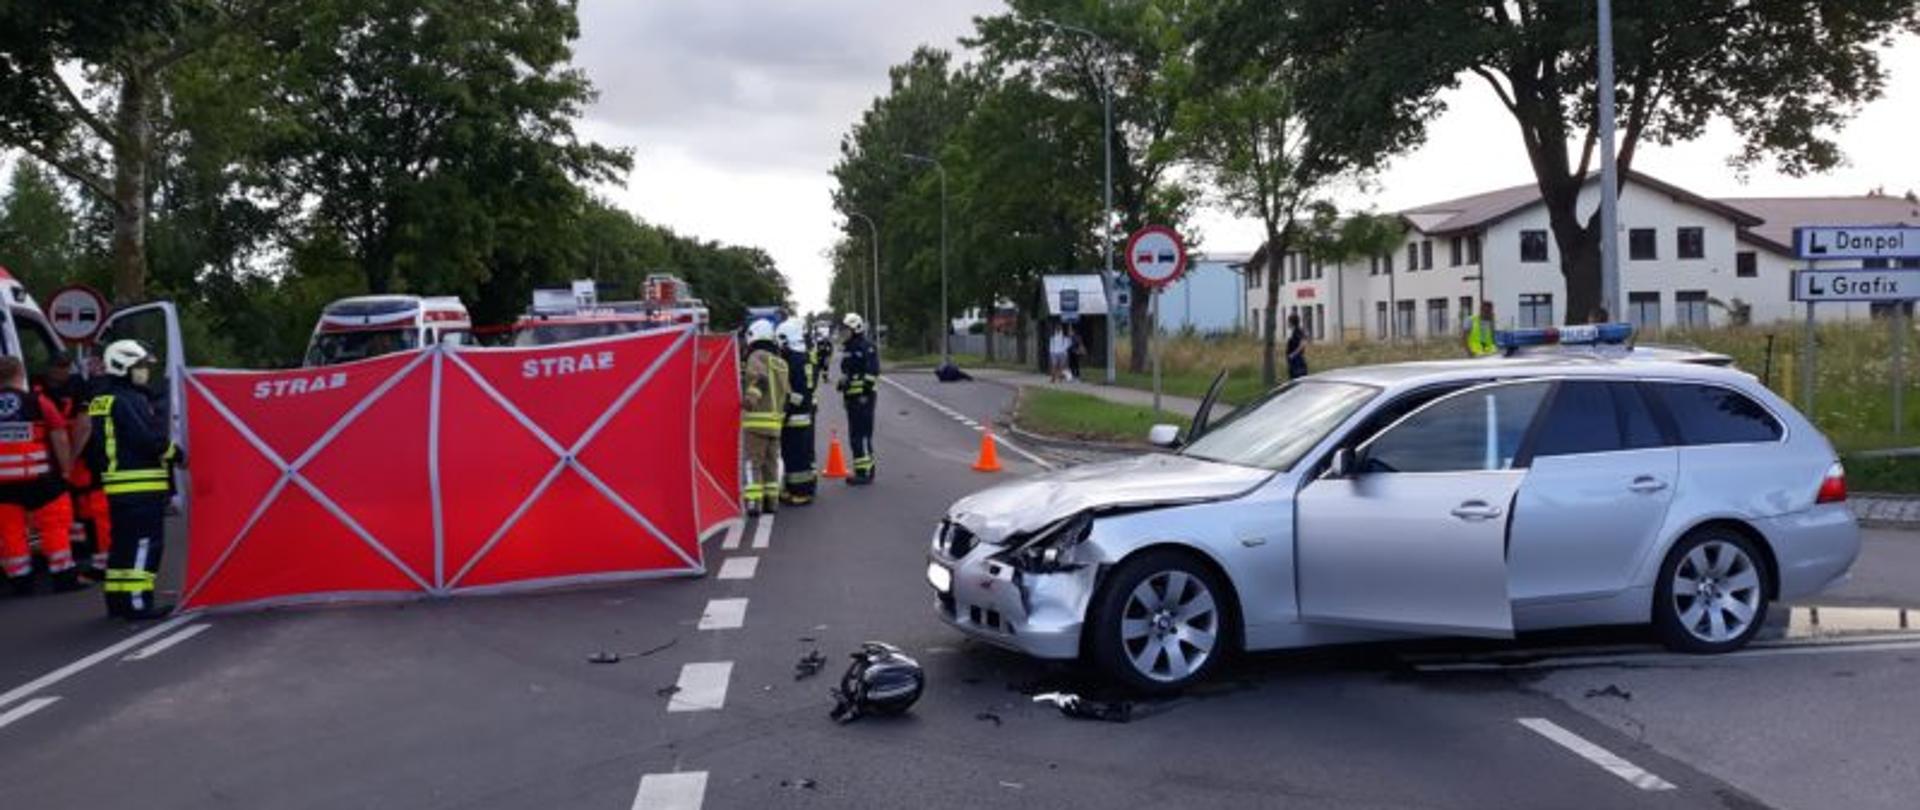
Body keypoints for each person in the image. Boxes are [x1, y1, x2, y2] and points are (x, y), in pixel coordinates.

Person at [87, 341, 183, 619]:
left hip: (116, 486)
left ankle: (117, 602)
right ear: (123, 366)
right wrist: (177, 454)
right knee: (144, 545)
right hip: (141, 486)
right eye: (140, 366)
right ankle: (138, 604)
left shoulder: (100, 400)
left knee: (122, 547)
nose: (144, 372)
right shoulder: (131, 400)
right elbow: (146, 438)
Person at [0, 356, 84, 596]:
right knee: (54, 524)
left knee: (10, 531)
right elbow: (58, 435)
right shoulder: (37, 401)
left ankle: (20, 580)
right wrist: (66, 469)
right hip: (40, 478)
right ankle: (63, 575)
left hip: (3, 483)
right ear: (20, 374)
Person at [40, 354, 111, 578]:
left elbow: (84, 426)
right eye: (57, 366)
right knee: (76, 511)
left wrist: (68, 459)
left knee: (93, 509)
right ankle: (86, 554)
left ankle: (101, 559)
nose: (61, 371)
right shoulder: (41, 386)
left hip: (82, 458)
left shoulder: (79, 387)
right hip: (62, 458)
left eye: (64, 366)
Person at [739, 320, 788, 516]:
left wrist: (750, 399)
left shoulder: (756, 356)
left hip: (757, 421)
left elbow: (761, 379)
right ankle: (772, 502)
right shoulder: (781, 362)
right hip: (776, 423)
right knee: (771, 463)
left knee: (753, 462)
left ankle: (754, 502)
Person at [776, 318, 817, 506]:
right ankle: (796, 488)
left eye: (780, 341)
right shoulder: (806, 356)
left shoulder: (792, 359)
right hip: (804, 413)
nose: (779, 345)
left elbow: (795, 393)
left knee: (796, 456)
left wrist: (784, 409)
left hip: (795, 416)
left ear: (786, 339)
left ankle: (801, 493)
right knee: (800, 454)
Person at [838, 313, 879, 485]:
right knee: (855, 435)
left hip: (863, 398)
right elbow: (849, 371)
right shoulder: (849, 348)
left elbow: (872, 372)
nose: (844, 333)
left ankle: (865, 472)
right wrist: (844, 383)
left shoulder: (866, 346)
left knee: (861, 435)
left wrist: (864, 393)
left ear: (856, 328)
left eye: (847, 329)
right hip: (853, 398)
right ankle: (863, 469)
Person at [1285, 315, 1309, 379]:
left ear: (1291, 322)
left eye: (1288, 322)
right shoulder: (1294, 332)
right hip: (1294, 361)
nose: (1287, 324)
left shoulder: (1298, 331)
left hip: (1297, 361)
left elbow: (1303, 343)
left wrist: (1293, 354)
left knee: (1297, 378)